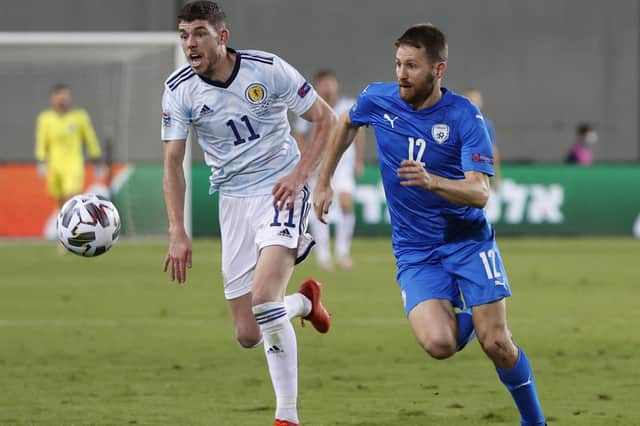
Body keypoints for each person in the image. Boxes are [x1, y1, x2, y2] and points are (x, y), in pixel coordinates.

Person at [314, 23, 546, 426]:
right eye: (399, 64)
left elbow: (480, 193)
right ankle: (476, 313)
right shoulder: (379, 99)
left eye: (413, 66)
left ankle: (535, 422)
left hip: (467, 242)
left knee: (498, 344)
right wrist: (323, 182)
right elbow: (346, 122)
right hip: (416, 250)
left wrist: (432, 181)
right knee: (439, 344)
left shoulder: (463, 117)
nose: (402, 74)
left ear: (438, 70)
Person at [160, 2, 335, 425]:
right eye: (184, 35)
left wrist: (299, 176)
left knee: (262, 299)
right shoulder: (179, 88)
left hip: (281, 191)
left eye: (199, 33)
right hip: (233, 202)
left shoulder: (268, 69)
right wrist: (177, 231)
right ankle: (304, 303)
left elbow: (326, 120)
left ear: (222, 36)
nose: (189, 44)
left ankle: (287, 416)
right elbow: (172, 162)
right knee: (248, 333)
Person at [293, 70, 365, 270]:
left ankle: (343, 253)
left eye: (330, 82)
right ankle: (323, 255)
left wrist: (359, 160)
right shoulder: (310, 107)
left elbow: (358, 134)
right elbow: (298, 133)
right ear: (317, 86)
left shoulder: (348, 106)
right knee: (319, 208)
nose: (327, 87)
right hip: (318, 166)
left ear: (336, 84)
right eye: (323, 83)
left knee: (346, 203)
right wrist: (305, 159)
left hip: (343, 165)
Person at [35, 84, 102, 209]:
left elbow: (90, 138)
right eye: (59, 96)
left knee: (71, 199)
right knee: (60, 203)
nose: (62, 99)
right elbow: (42, 141)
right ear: (52, 99)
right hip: (54, 166)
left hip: (73, 165)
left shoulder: (79, 116)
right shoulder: (45, 118)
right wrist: (41, 160)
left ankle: (75, 226)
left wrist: (96, 158)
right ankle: (63, 227)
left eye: (64, 96)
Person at [464, 89, 501, 189]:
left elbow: (493, 152)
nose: (475, 104)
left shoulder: (486, 125)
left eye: (477, 100)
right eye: (471, 100)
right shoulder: (456, 124)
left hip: (479, 174)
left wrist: (496, 177)